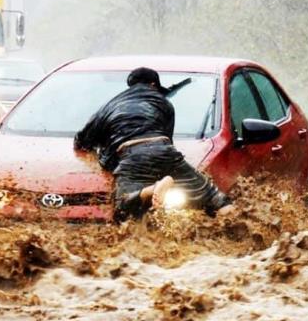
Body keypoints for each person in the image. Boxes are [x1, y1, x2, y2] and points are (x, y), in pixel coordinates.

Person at [74, 67, 232, 221]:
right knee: (214, 198)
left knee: (122, 208)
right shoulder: (164, 104)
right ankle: (241, 230)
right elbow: (168, 140)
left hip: (132, 156)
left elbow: (81, 141)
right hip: (164, 150)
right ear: (153, 85)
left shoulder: (109, 107)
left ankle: (152, 189)